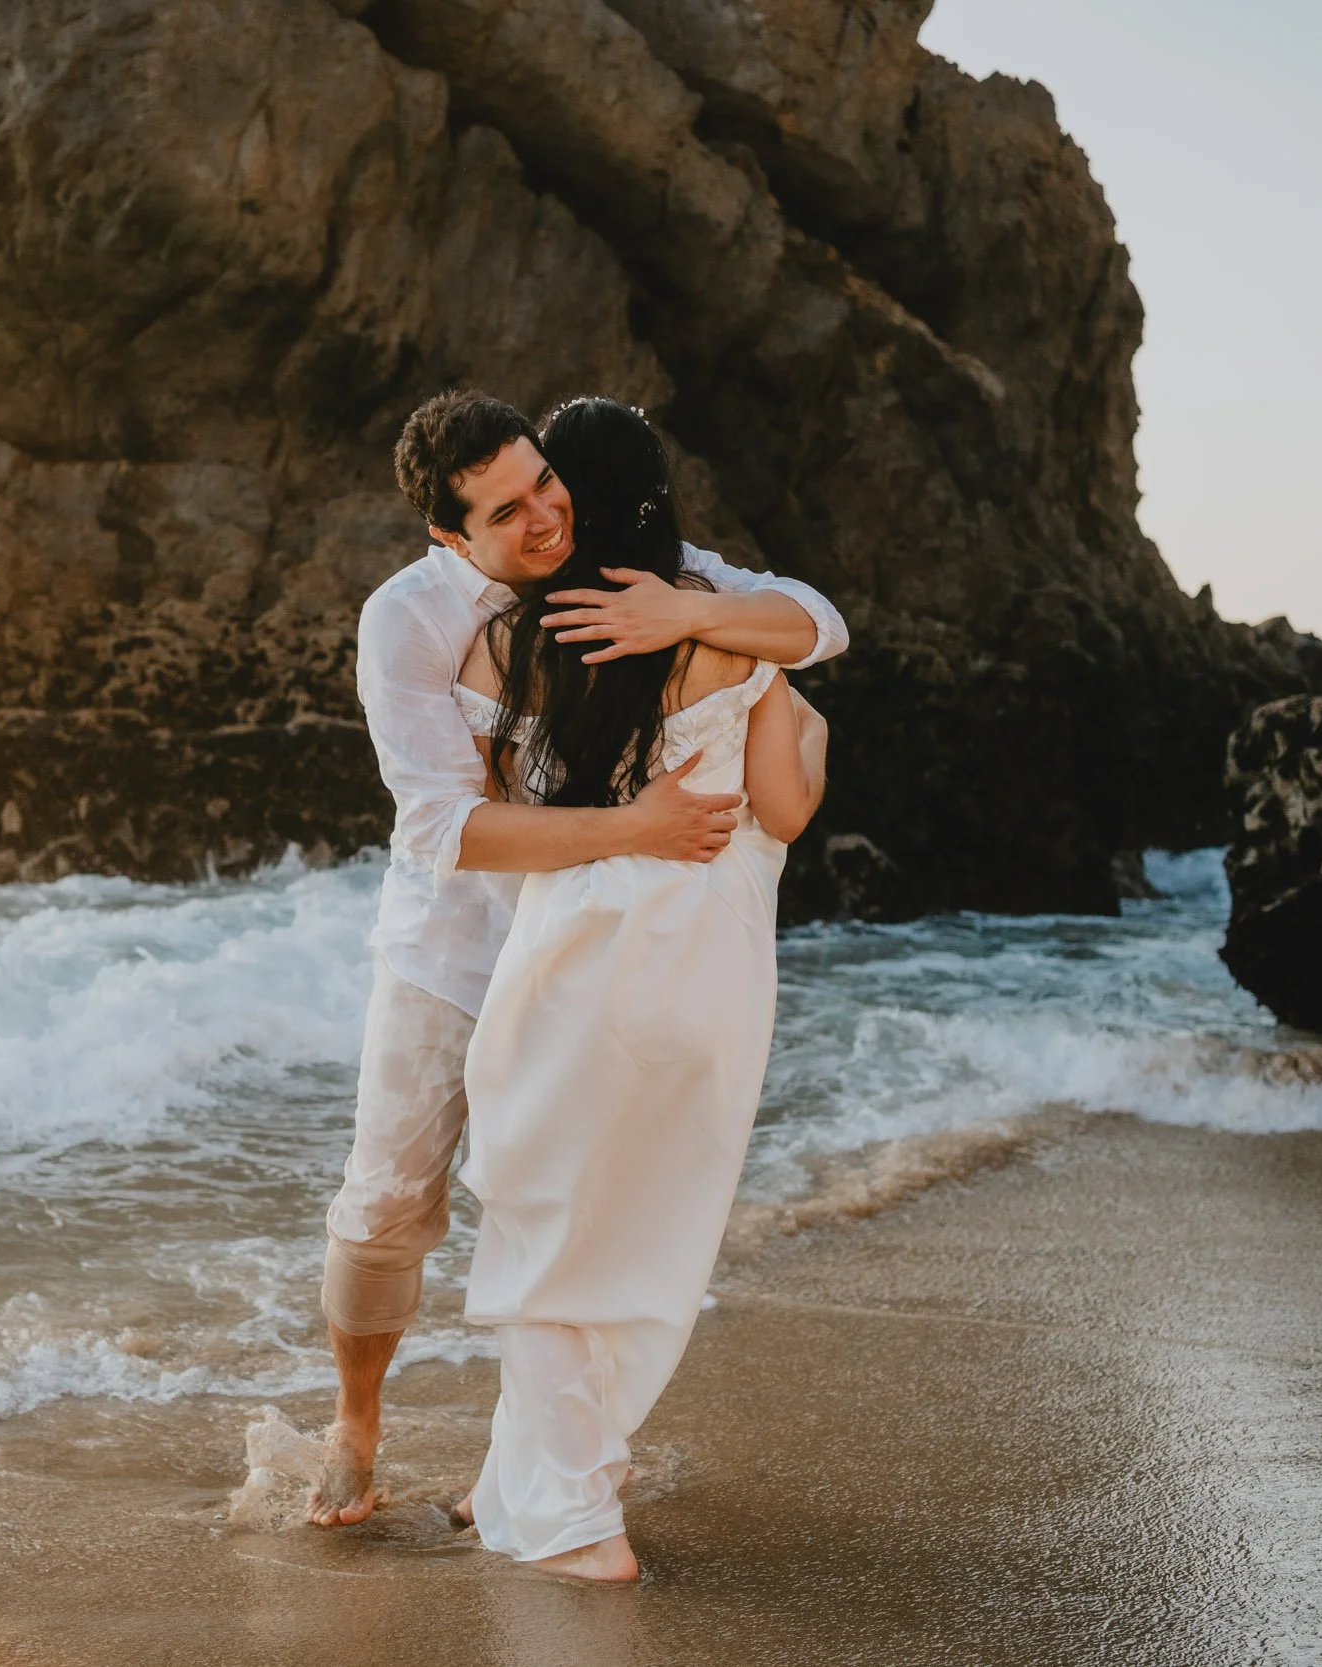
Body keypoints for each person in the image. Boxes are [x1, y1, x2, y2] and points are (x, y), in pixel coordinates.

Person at [308, 390, 846, 1528]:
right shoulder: (407, 619)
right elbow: (446, 830)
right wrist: (633, 828)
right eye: (510, 511)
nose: (547, 516)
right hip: (453, 948)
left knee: (566, 1200)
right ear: (450, 535)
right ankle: (356, 1421)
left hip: (593, 952)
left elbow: (814, 621)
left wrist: (673, 613)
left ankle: (522, 1464)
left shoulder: (614, 550)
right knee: (386, 1206)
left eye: (546, 482)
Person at [452, 397, 829, 1581]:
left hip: (576, 966)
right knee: (639, 1229)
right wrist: (796, 715)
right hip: (710, 975)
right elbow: (784, 811)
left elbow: (492, 820)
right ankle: (530, 1470)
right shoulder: (732, 644)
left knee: (543, 1219)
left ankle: (577, 1524)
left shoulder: (499, 646)